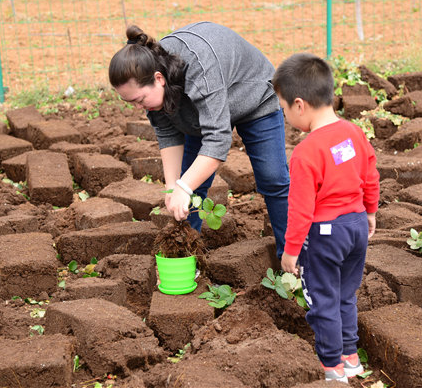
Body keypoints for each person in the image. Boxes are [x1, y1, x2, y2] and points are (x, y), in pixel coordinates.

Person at [108, 21, 290, 258]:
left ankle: (293, 257)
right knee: (192, 185)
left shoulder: (198, 68)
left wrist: (184, 186)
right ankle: (184, 255)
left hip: (253, 98)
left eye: (140, 100)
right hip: (199, 111)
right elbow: (167, 133)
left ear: (159, 78)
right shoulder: (151, 80)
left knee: (273, 178)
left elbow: (218, 140)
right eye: (130, 102)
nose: (138, 107)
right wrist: (174, 186)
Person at [273, 53, 379, 383]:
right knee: (346, 295)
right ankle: (351, 358)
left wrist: (290, 251)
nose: (285, 114)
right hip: (357, 225)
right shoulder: (354, 133)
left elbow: (301, 209)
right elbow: (371, 175)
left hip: (325, 235)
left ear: (299, 104)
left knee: (323, 300)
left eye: (283, 108)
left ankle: (331, 367)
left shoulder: (306, 152)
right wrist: (371, 211)